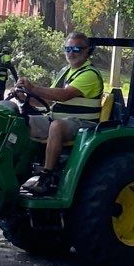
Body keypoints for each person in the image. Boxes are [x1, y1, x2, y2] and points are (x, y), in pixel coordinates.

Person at [15, 32, 105, 196]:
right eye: (68, 48)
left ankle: (46, 177)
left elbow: (64, 95)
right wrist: (24, 96)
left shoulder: (89, 74)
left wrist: (33, 88)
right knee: (18, 122)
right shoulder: (65, 71)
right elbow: (48, 100)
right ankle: (18, 170)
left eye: (77, 49)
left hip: (84, 125)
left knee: (56, 126)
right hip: (57, 119)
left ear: (87, 51)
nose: (71, 52)